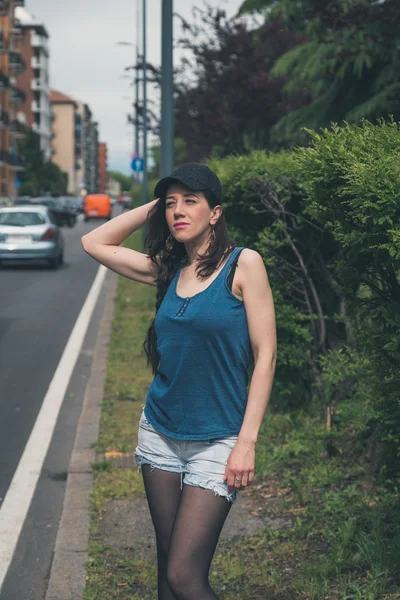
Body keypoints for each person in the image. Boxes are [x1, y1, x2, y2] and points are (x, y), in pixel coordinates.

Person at [81, 163, 277, 600]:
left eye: (191, 201)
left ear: (216, 213)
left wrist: (246, 443)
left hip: (219, 439)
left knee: (185, 575)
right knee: (167, 559)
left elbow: (266, 356)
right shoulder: (166, 270)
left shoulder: (243, 265)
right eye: (171, 204)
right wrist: (158, 204)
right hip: (160, 434)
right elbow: (93, 240)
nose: (178, 211)